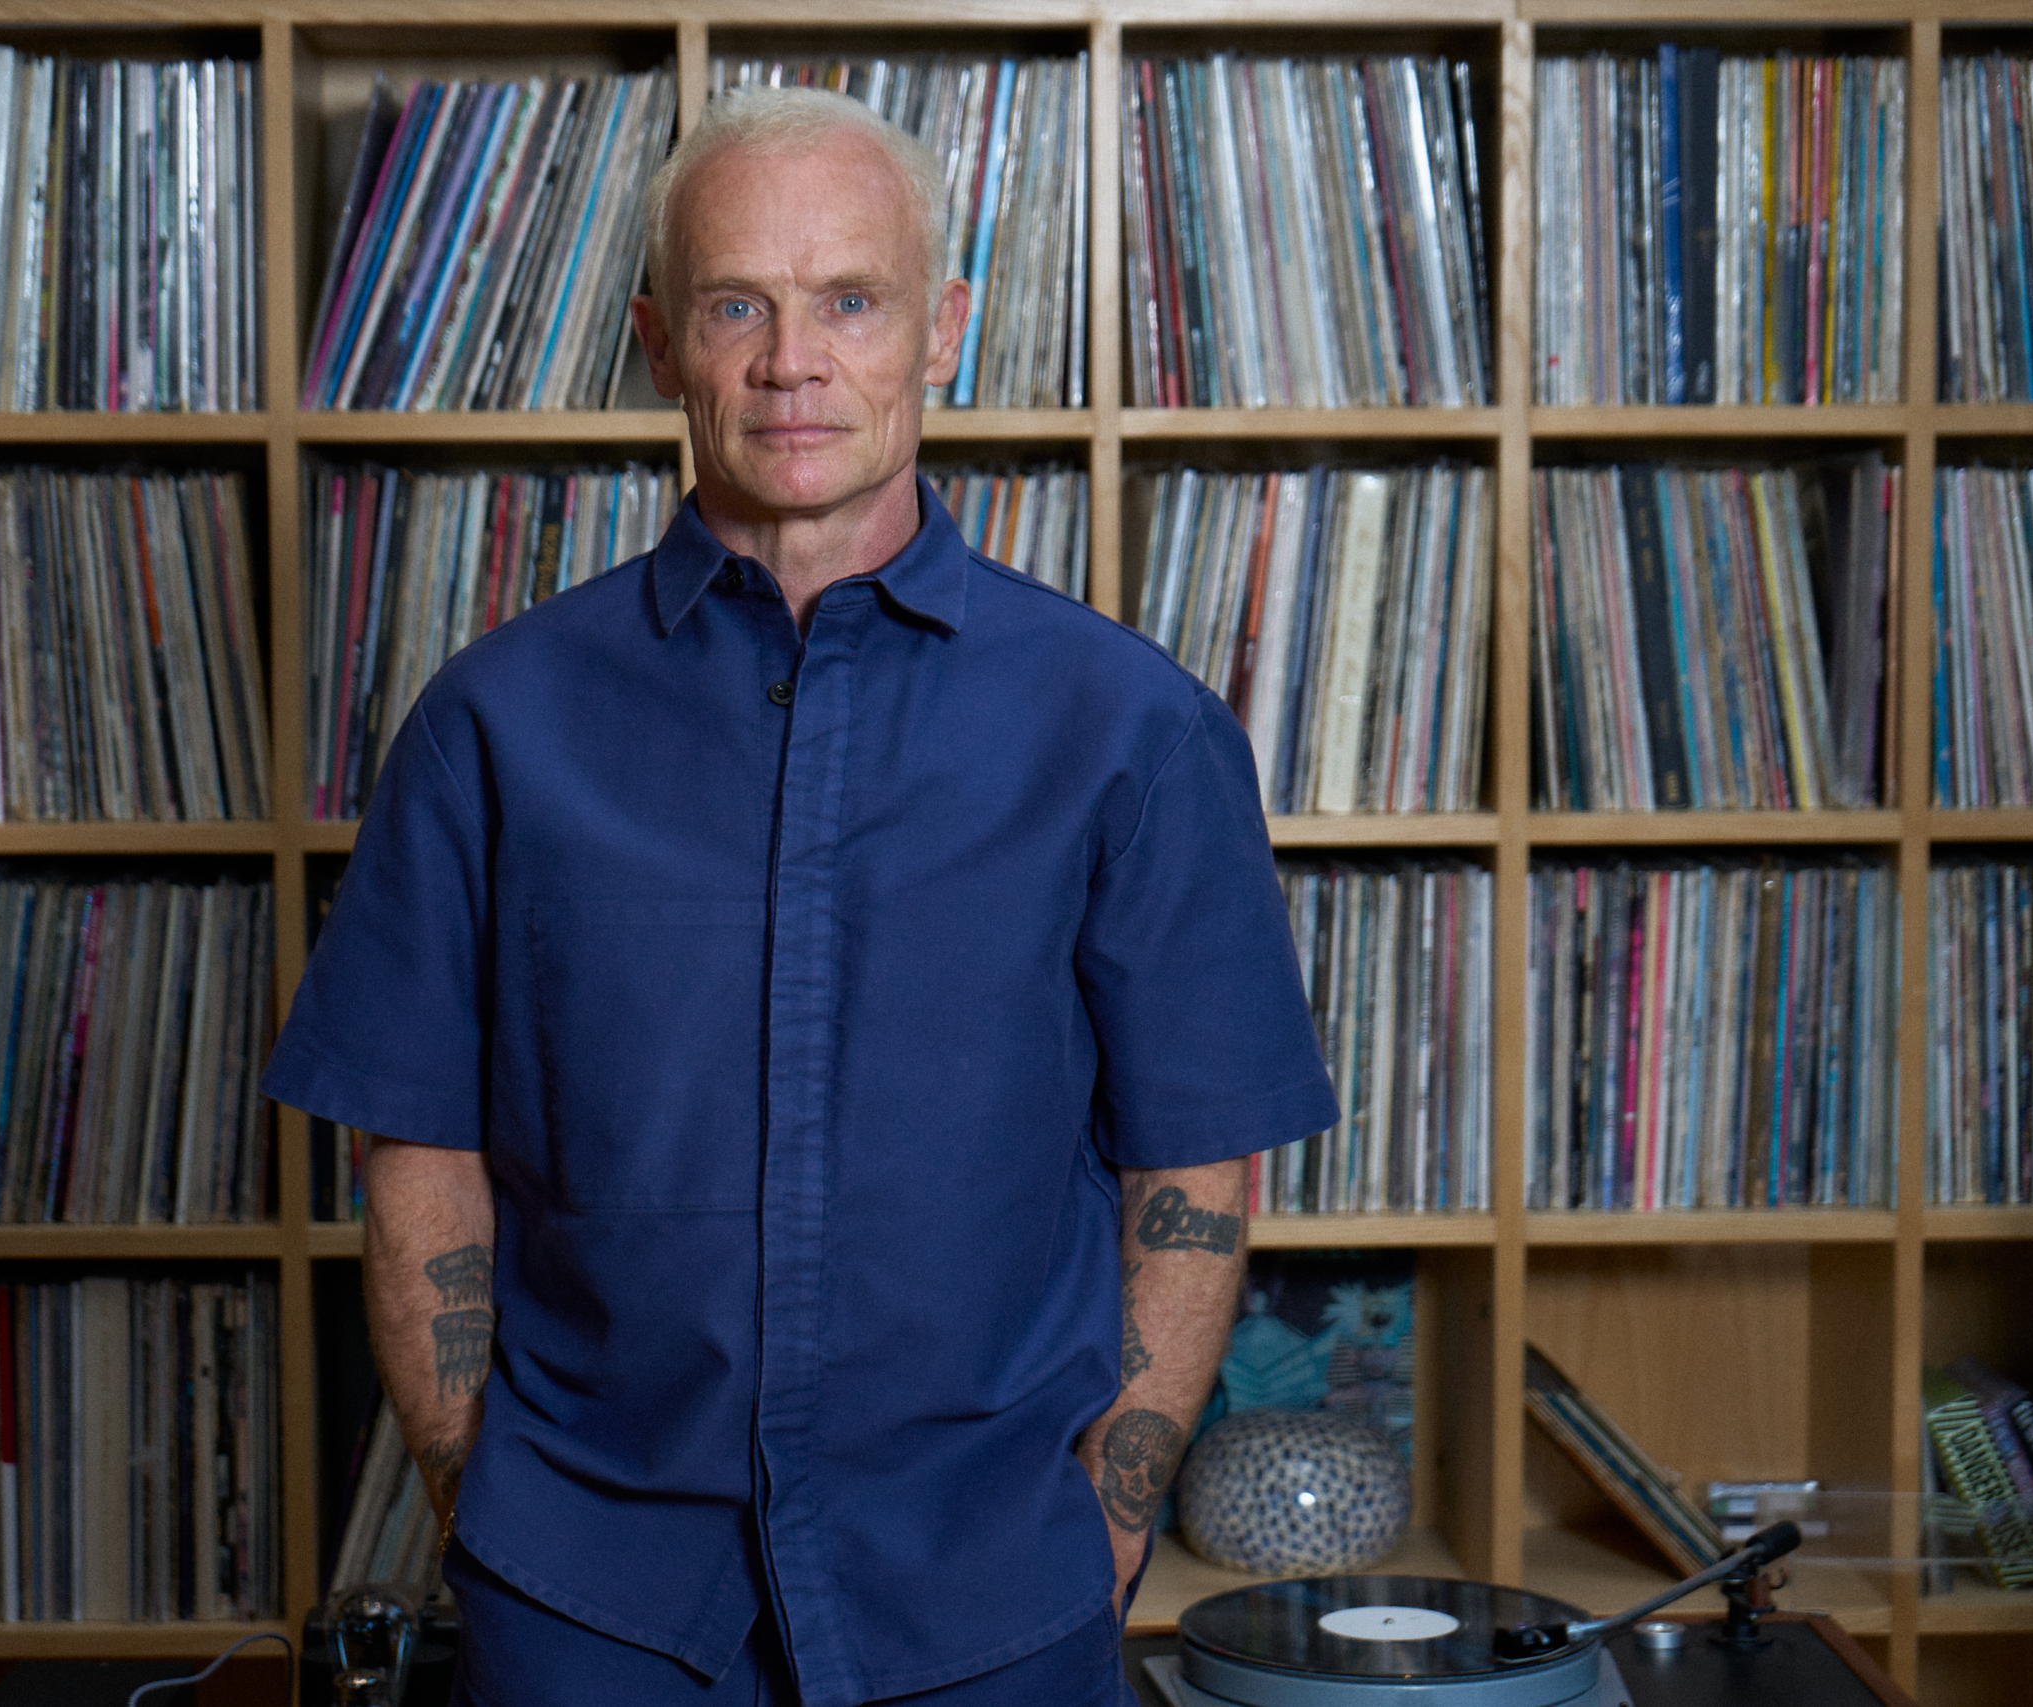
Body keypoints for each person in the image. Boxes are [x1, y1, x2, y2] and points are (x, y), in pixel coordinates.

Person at [264, 86, 1335, 1707]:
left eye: (850, 300)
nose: (792, 362)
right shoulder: (492, 727)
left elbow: (1195, 1163)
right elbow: (418, 1148)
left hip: (992, 1606)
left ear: (941, 329)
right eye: (735, 307)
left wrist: (1107, 1526)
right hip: (588, 1608)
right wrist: (473, 1493)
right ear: (658, 344)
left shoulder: (1134, 733)